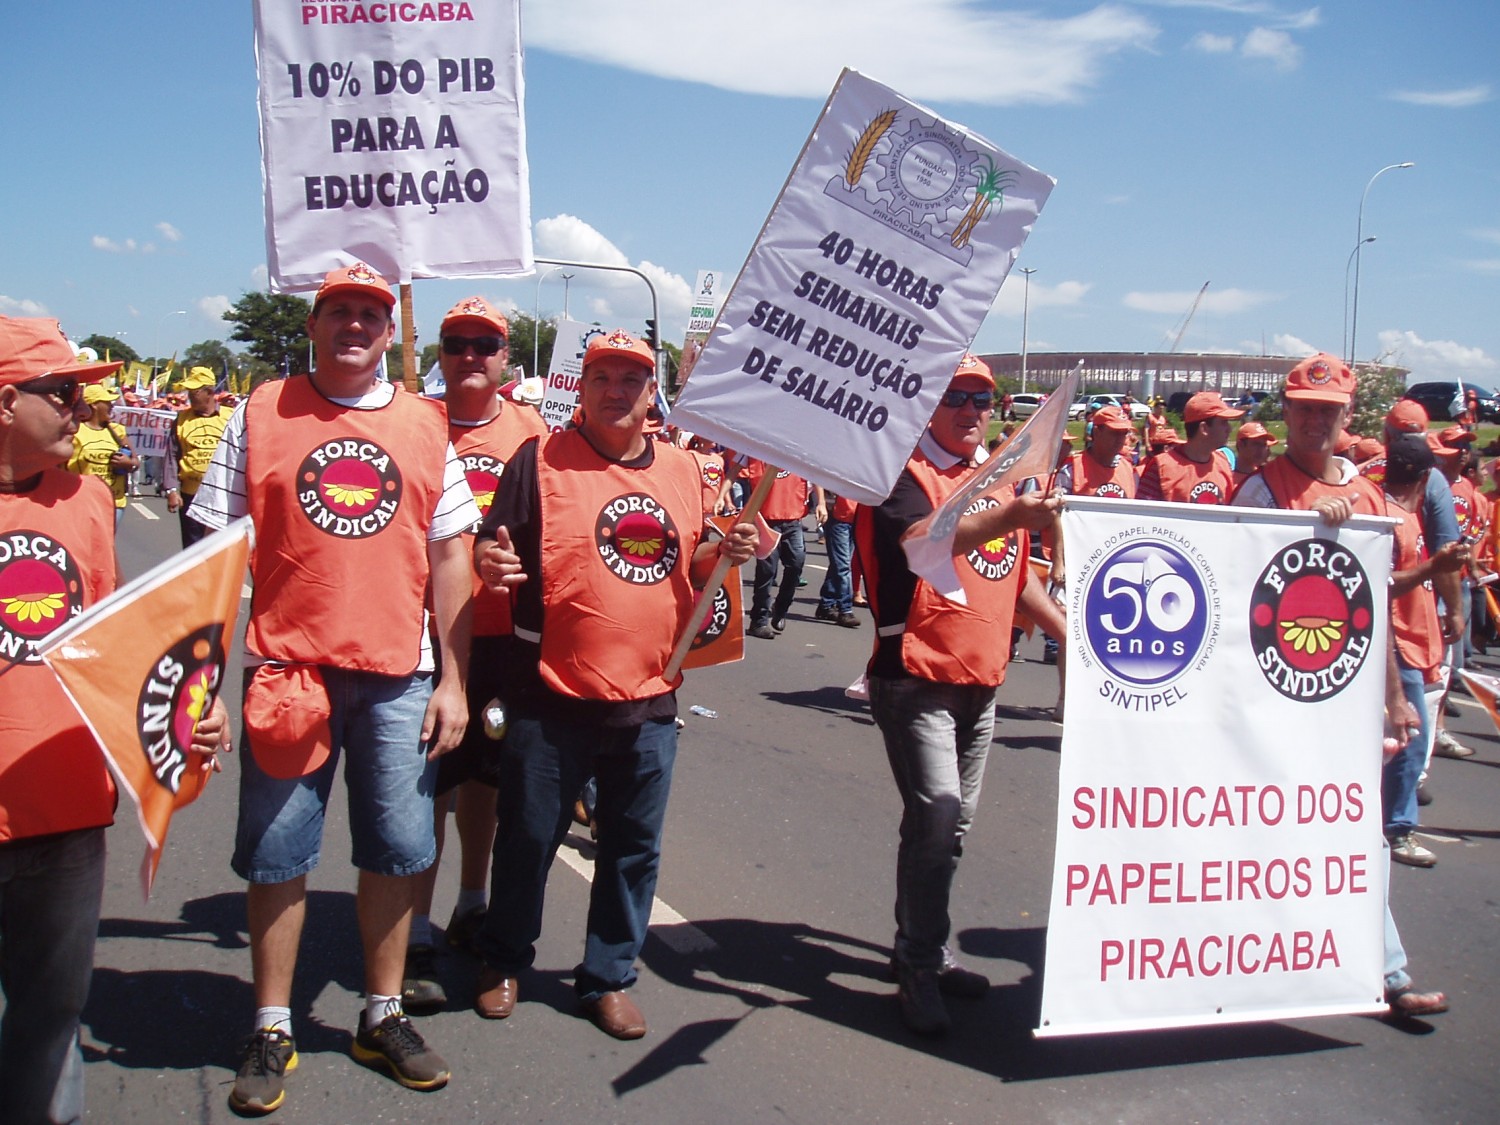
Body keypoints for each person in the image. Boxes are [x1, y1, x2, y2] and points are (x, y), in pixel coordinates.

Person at [190, 262, 479, 1112]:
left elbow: (452, 557)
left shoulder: (427, 425)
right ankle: (272, 1023)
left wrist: (455, 681)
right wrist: (203, 683)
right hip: (289, 672)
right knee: (278, 856)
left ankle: (381, 1012)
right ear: (313, 325)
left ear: (390, 332)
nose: (356, 325)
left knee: (397, 850)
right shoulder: (260, 412)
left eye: (371, 314)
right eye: (340, 311)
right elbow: (210, 554)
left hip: (399, 676)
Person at [471, 329, 756, 1040]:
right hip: (550, 689)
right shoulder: (538, 459)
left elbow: (692, 569)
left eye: (631, 378)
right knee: (529, 836)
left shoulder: (686, 471)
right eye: (603, 376)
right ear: (583, 385)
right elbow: (489, 543)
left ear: (650, 390)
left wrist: (727, 550)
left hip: (650, 695)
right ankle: (503, 960)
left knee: (633, 844)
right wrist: (488, 563)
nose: (616, 390)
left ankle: (608, 975)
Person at [0, 317, 228, 1123]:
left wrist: (193, 706)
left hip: (68, 816)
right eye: (61, 394)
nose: (78, 409)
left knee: (49, 1024)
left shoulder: (86, 498)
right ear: (4, 402)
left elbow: (111, 646)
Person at [1233, 352, 1449, 1018]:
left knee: (1357, 827)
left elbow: (1374, 607)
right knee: (1258, 827)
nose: (1313, 421)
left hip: (1343, 694)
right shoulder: (1260, 491)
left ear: (1347, 417)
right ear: (1286, 411)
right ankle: (1246, 954)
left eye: (1327, 411)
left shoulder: (1368, 495)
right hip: (1273, 692)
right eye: (1302, 408)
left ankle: (1387, 971)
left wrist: (1393, 698)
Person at [854, 354, 1064, 1035]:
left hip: (983, 679)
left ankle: (925, 948)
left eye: (983, 399)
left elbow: (1013, 575)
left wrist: (1076, 637)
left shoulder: (993, 481)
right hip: (915, 678)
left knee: (947, 831)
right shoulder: (898, 473)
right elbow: (921, 542)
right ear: (926, 404)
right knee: (938, 819)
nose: (973, 410)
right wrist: (1008, 515)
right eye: (957, 398)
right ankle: (918, 964)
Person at [402, 296, 548, 1014]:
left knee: (487, 781)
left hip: (502, 639)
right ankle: (414, 930)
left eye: (484, 344)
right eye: (456, 343)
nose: (470, 356)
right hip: (424, 635)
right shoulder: (413, 423)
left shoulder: (532, 431)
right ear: (440, 351)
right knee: (428, 782)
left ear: (505, 355)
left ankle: (471, 901)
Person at [744, 461, 821, 639]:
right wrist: (723, 496)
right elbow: (734, 470)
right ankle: (759, 621)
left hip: (793, 521)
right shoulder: (757, 453)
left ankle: (781, 607)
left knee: (796, 565)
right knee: (766, 572)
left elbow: (815, 473)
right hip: (767, 522)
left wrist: (821, 503)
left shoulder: (799, 452)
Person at [165, 366, 235, 549]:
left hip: (222, 496)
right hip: (191, 496)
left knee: (221, 550)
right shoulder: (181, 420)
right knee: (193, 550)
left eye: (194, 391)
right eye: (188, 391)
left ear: (209, 392)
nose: (189, 395)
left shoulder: (231, 417)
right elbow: (172, 456)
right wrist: (171, 490)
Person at [1136, 391, 1241, 503]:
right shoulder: (1161, 467)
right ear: (1204, 429)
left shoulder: (1223, 463)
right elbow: (1143, 516)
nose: (1229, 429)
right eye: (1223, 423)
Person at [66, 381, 138, 525]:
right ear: (94, 405)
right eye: (107, 402)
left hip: (114, 503)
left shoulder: (117, 431)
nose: (112, 406)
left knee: (105, 546)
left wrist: (128, 463)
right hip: (83, 502)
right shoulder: (74, 431)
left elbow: (135, 461)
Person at [815, 491, 861, 627]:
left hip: (855, 516)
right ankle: (845, 610)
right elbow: (819, 476)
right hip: (837, 516)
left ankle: (826, 604)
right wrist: (821, 503)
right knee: (843, 566)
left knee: (839, 564)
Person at [1231, 421, 1278, 488]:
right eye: (1256, 444)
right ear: (1240, 445)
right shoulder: (1228, 478)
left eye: (1264, 445)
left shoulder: (1266, 478)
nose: (1261, 450)